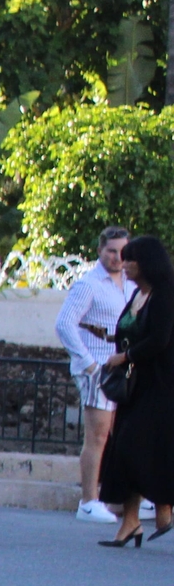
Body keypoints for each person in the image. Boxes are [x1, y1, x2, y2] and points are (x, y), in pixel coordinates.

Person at [96, 234, 174, 547]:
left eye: (131, 260)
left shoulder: (165, 294)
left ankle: (163, 507)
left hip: (159, 387)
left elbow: (159, 340)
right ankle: (131, 521)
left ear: (148, 263)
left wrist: (124, 356)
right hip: (134, 388)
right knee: (122, 452)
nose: (124, 265)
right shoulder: (139, 295)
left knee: (138, 449)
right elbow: (131, 330)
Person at [55, 226, 134, 520]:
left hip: (122, 363)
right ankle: (89, 500)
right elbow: (65, 324)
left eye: (122, 251)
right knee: (98, 435)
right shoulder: (88, 284)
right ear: (100, 250)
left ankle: (119, 497)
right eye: (111, 251)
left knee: (123, 433)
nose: (117, 257)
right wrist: (87, 362)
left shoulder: (130, 283)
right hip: (98, 365)